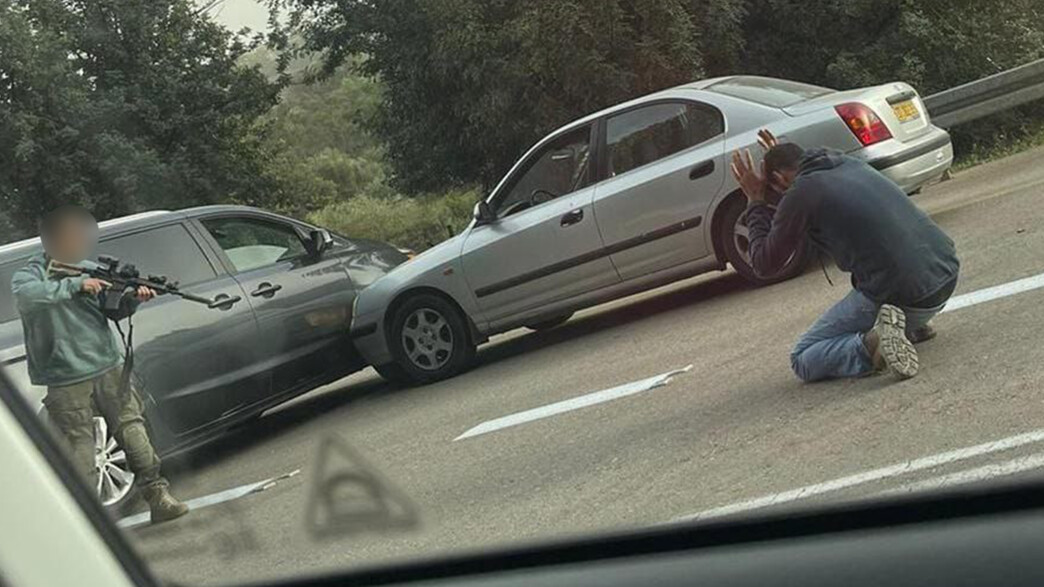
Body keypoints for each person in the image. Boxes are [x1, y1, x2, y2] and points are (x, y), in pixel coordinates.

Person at [730, 130, 960, 382]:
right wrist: (776, 156)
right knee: (881, 269)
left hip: (907, 295)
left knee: (803, 358)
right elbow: (793, 175)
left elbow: (764, 263)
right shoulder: (846, 163)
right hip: (945, 273)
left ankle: (874, 343)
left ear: (778, 178)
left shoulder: (802, 193)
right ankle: (911, 328)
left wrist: (755, 199)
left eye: (773, 185)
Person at [11, 205, 189, 523]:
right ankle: (91, 517)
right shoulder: (31, 273)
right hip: (65, 375)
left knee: (131, 428)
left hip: (107, 366)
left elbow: (113, 311)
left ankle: (157, 495)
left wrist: (134, 298)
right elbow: (27, 297)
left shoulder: (91, 268)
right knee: (80, 443)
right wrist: (75, 286)